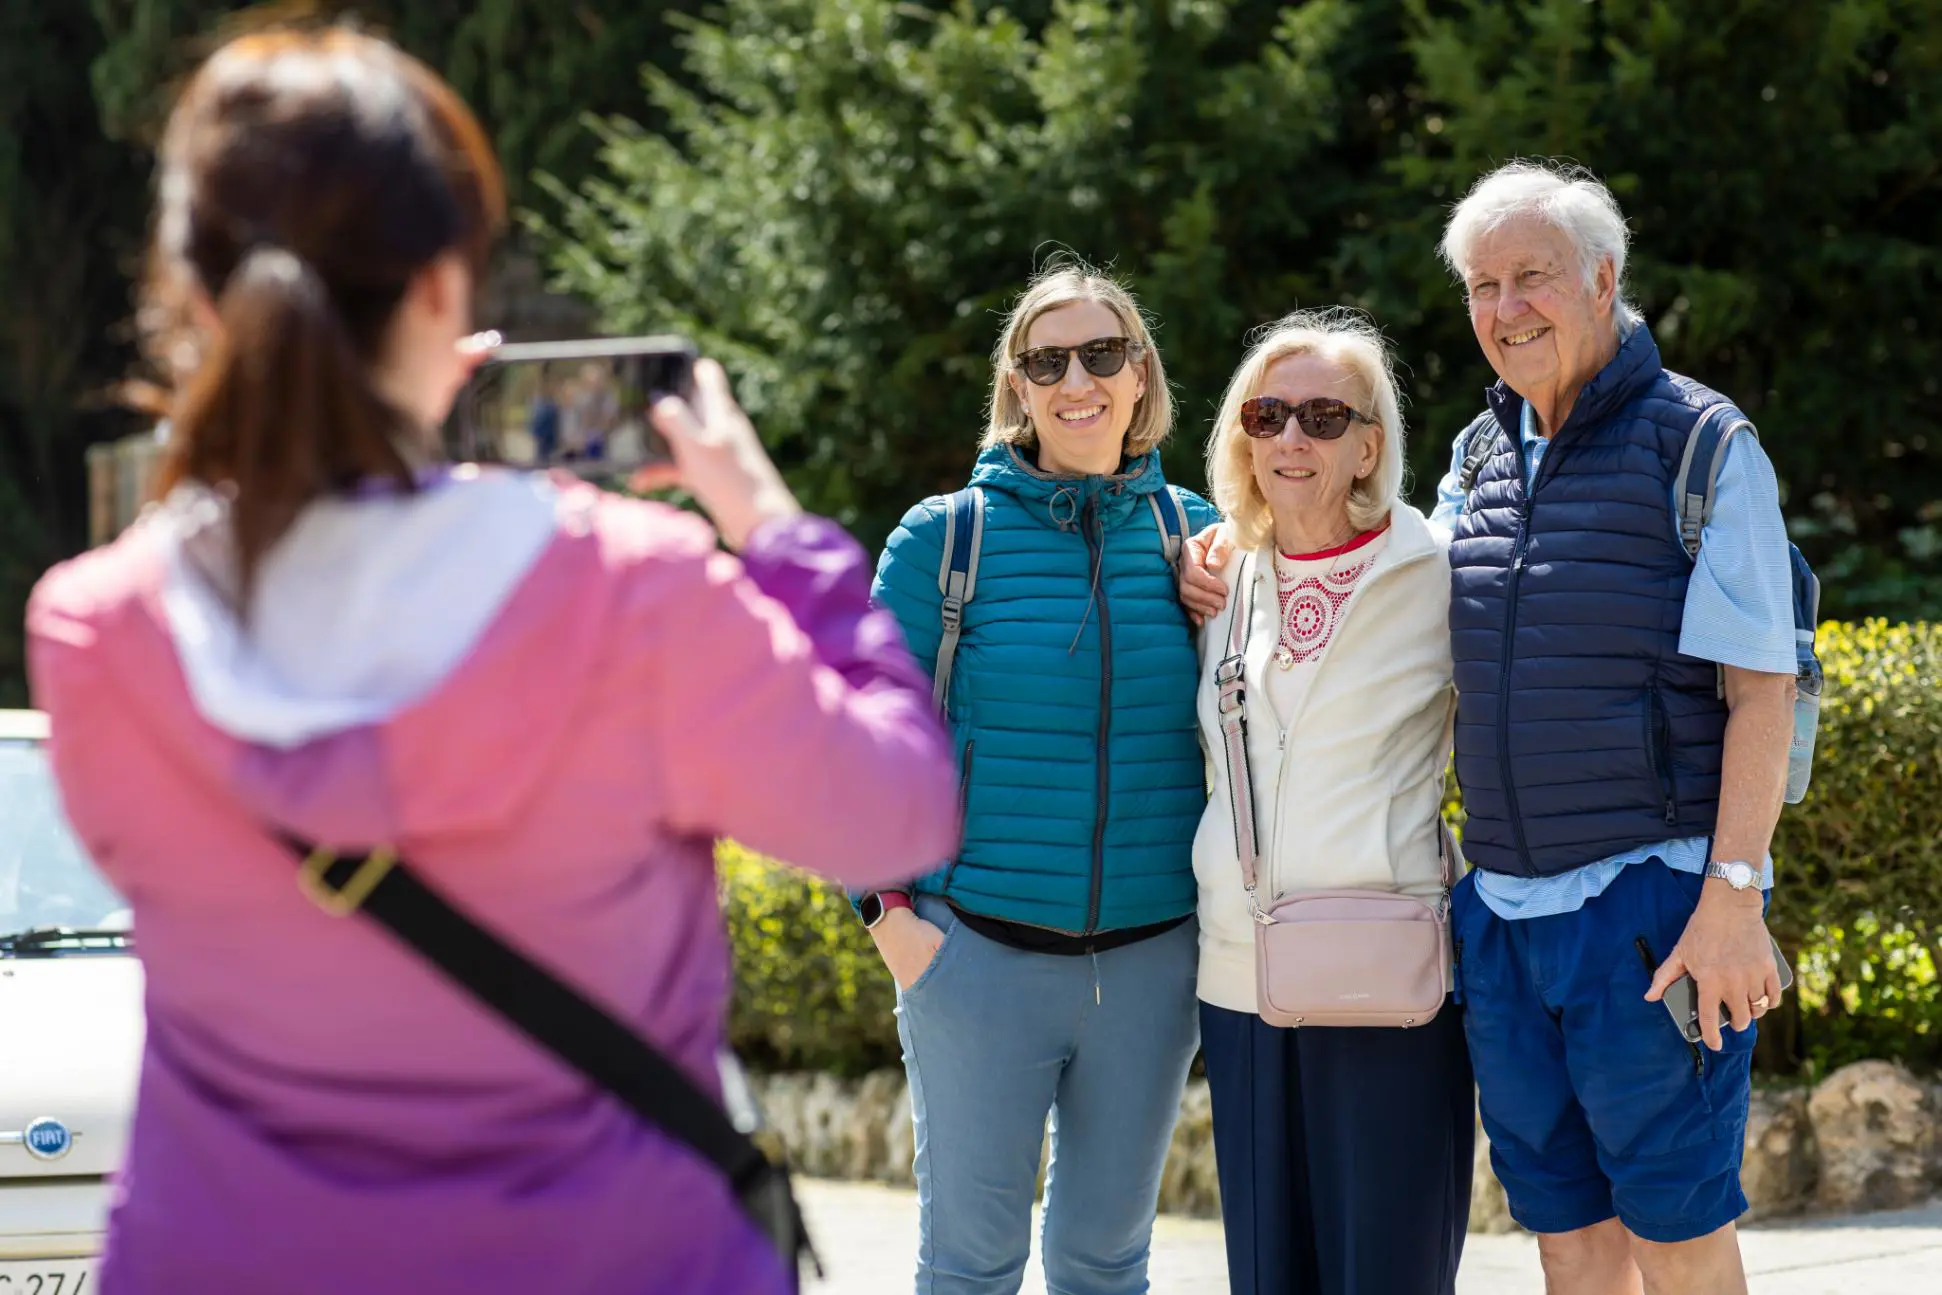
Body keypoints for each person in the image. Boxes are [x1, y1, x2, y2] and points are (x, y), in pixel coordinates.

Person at [26, 26, 959, 1295]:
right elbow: (896, 813)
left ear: (198, 304)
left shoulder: (93, 633)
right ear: (441, 290)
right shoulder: (633, 585)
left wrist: (366, 450)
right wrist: (773, 526)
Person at [1187, 161, 1796, 1295]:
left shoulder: (1704, 445)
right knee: (1567, 1240)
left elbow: (1767, 686)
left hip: (1651, 910)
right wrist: (1226, 547)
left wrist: (1734, 896)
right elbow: (1368, 560)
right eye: (1482, 285)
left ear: (1602, 279)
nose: (1506, 307)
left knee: (1676, 1236)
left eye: (1532, 277)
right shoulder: (1479, 458)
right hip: (1503, 918)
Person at [856, 263, 1218, 1295]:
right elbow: (850, 746)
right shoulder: (944, 539)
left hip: (1151, 967)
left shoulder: (1196, 535)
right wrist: (889, 918)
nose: (1077, 380)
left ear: (1140, 374)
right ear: (1016, 383)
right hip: (976, 959)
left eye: (1101, 353)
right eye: (1047, 360)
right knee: (970, 1267)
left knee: (1106, 1263)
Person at [1186, 311, 1473, 1294]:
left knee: (1388, 1269)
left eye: (1321, 416)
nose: (1291, 438)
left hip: (1387, 972)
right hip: (1239, 973)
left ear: (1369, 446)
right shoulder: (1218, 580)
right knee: (1268, 1273)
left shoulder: (1436, 571)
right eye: (1266, 415)